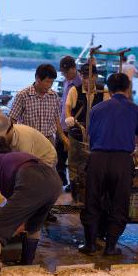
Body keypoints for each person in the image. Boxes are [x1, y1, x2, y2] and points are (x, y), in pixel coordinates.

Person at [80, 73, 138, 256]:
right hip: (122, 161)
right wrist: (137, 153)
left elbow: (89, 137)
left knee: (92, 201)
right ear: (128, 88)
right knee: (119, 203)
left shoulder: (96, 108)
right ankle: (110, 247)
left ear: (109, 90)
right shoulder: (136, 110)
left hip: (97, 159)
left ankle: (90, 245)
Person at [0, 136, 61, 275]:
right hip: (54, 182)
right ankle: (26, 267)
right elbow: (23, 202)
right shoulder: (17, 157)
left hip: (31, 180)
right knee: (33, 225)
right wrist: (19, 222)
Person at [0, 112, 58, 197]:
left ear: (10, 129)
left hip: (44, 157)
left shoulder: (24, 139)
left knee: (35, 190)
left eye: (1, 135)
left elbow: (27, 168)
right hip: (26, 160)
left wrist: (3, 191)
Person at [10, 63, 68, 147]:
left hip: (48, 140)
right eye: (47, 81)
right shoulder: (22, 95)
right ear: (37, 78)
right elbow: (12, 120)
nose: (49, 85)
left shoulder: (54, 96)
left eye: (52, 82)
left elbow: (56, 119)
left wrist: (63, 137)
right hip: (28, 140)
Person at [57, 56, 82, 188]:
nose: (64, 75)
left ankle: (73, 185)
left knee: (73, 158)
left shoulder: (79, 84)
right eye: (63, 72)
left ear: (74, 68)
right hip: (62, 125)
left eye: (66, 72)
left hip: (72, 128)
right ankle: (61, 182)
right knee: (59, 157)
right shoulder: (67, 81)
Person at [65, 63, 109, 133]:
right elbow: (68, 107)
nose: (86, 81)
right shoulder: (74, 90)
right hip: (78, 132)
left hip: (97, 131)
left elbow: (108, 111)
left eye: (89, 77)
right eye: (83, 77)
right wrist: (68, 117)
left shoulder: (103, 91)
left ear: (95, 76)